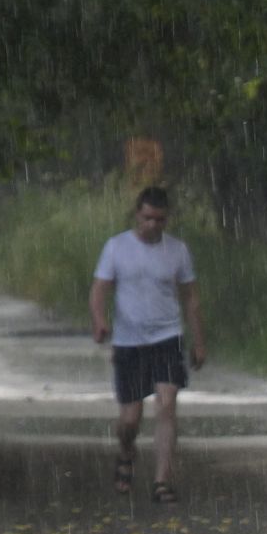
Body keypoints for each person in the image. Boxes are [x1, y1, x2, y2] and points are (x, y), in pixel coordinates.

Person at [89, 187, 205, 504]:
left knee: (166, 405)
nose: (153, 225)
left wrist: (198, 340)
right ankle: (127, 451)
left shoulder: (177, 251)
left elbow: (191, 297)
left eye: (160, 219)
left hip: (167, 337)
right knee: (130, 420)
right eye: (147, 218)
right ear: (137, 214)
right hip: (129, 342)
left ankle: (162, 481)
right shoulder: (116, 248)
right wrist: (99, 320)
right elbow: (100, 289)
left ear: (167, 218)